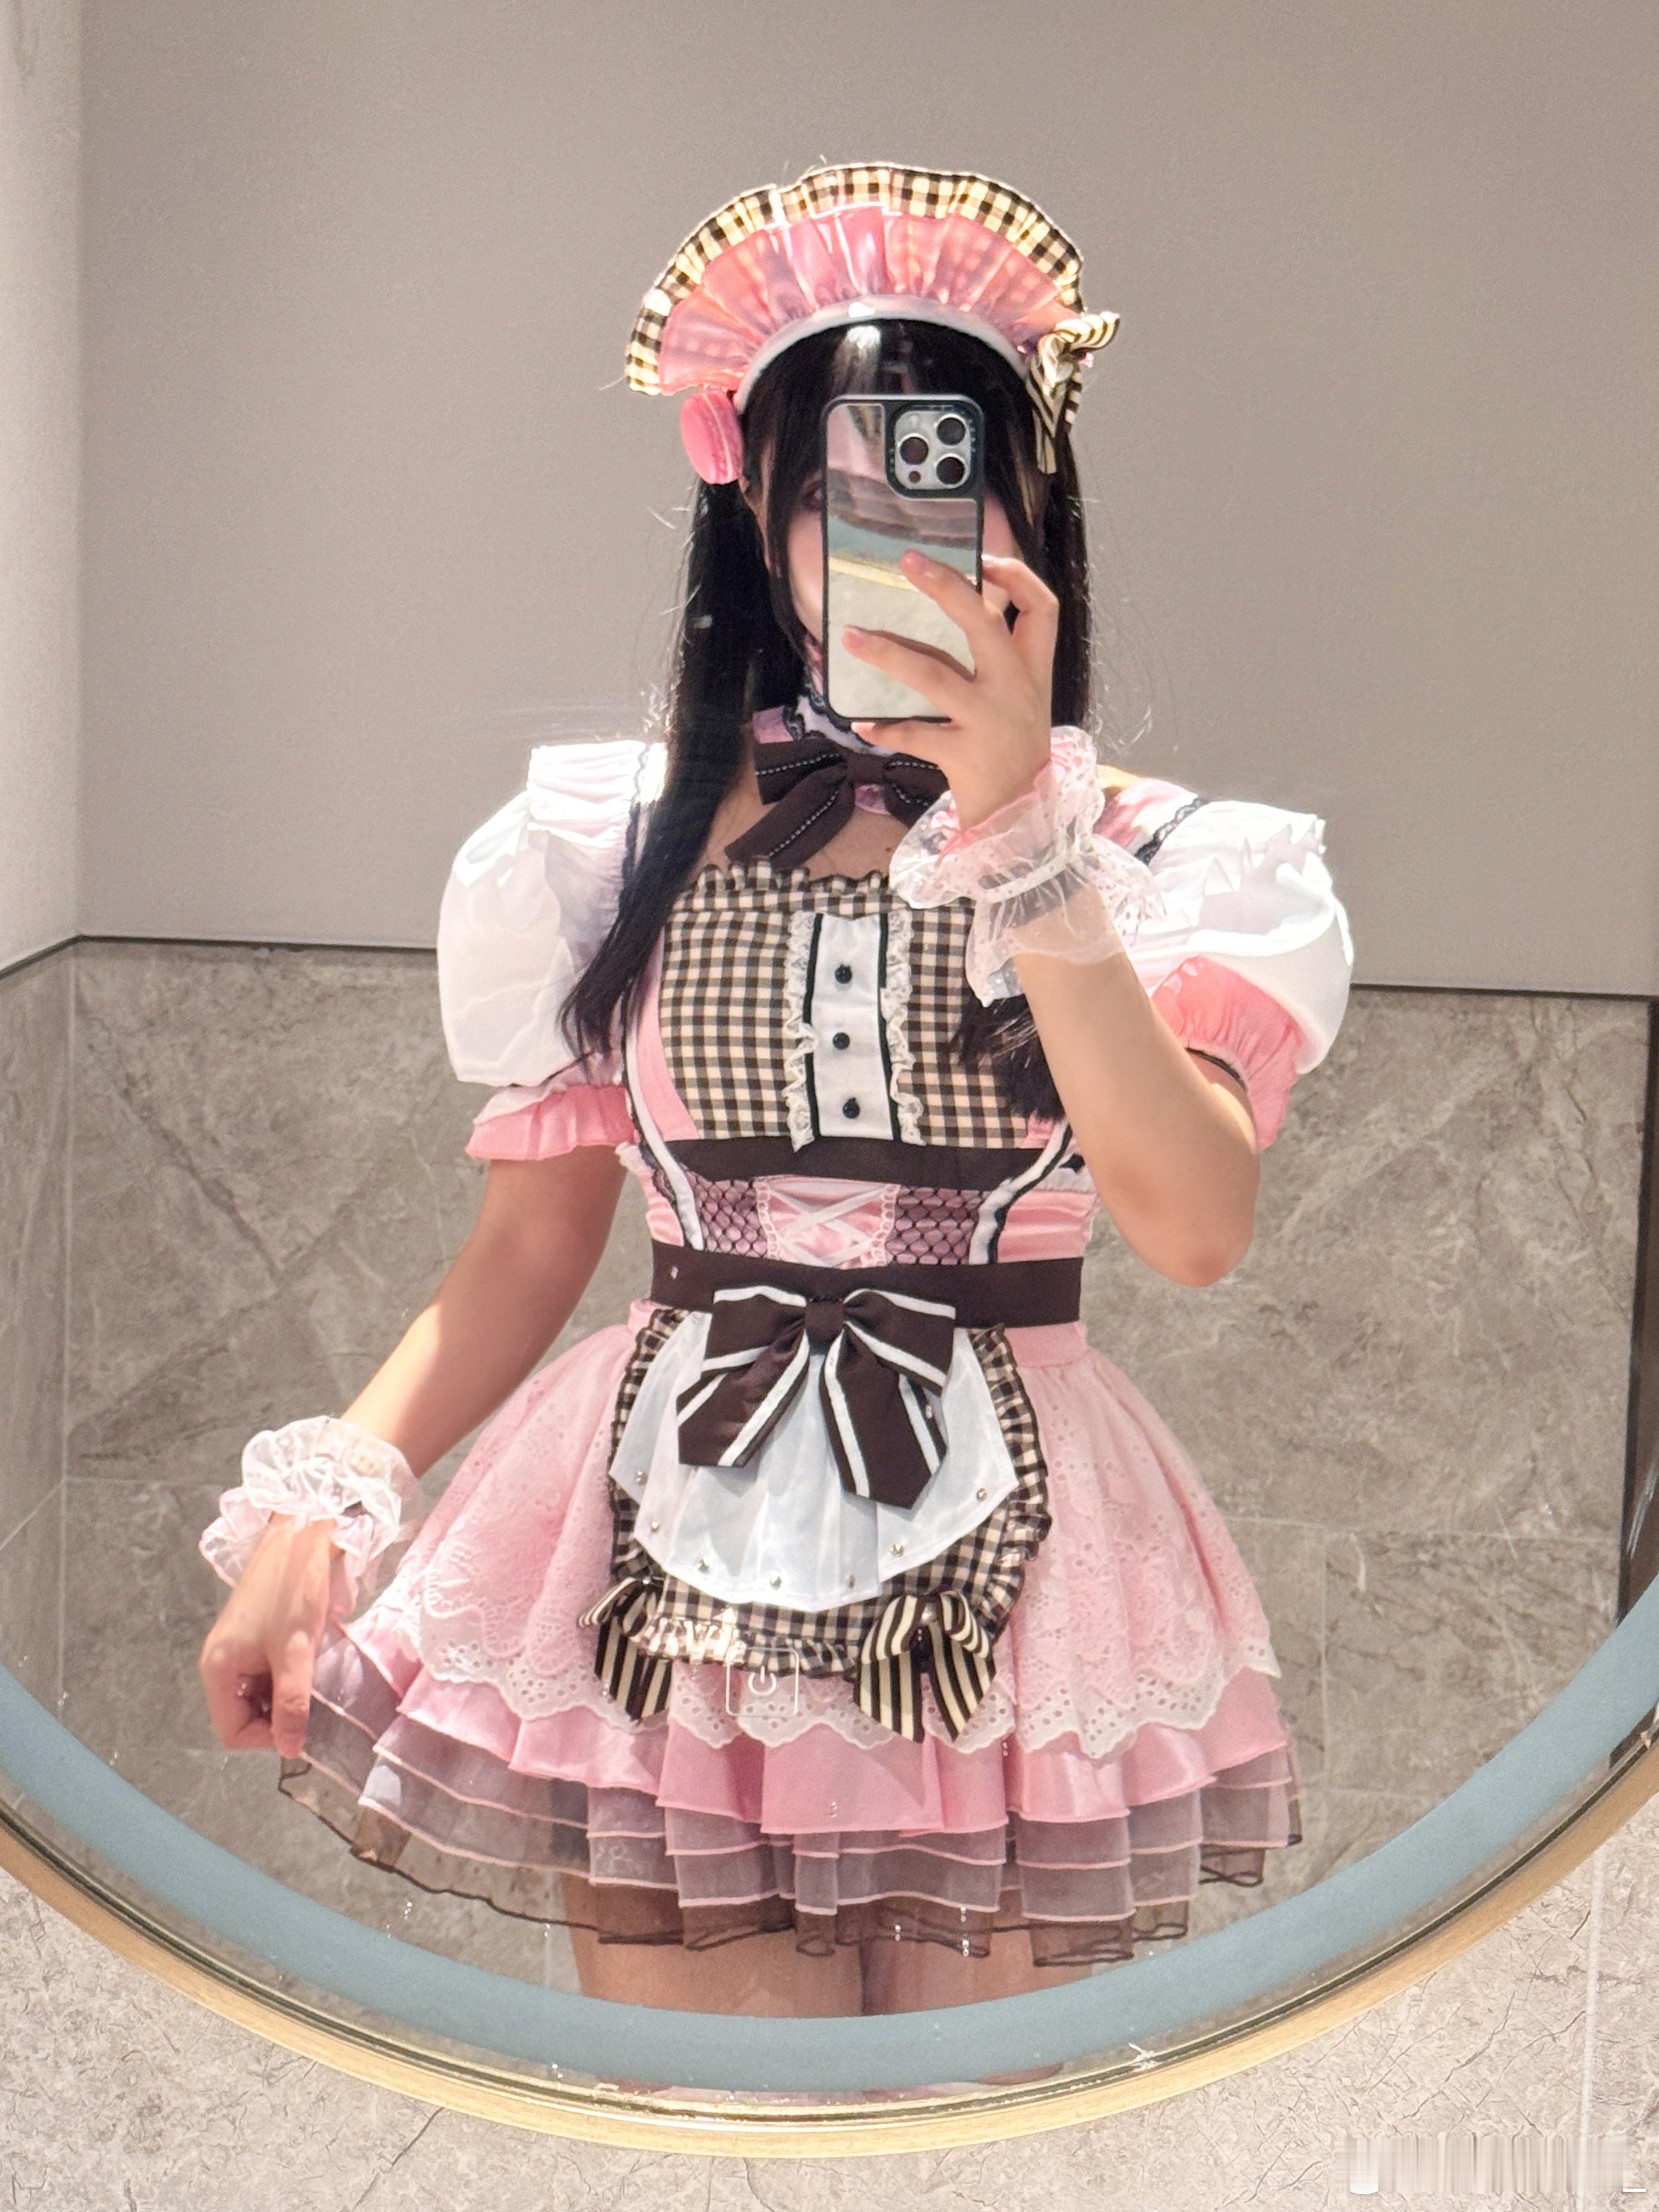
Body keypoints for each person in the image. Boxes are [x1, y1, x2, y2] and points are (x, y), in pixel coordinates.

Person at [197, 162, 1353, 2022]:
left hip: (1020, 1558)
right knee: (711, 2121)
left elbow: (1195, 1225)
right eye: (837, 491)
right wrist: (326, 1508)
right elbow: (526, 1250)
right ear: (756, 510)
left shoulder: (1168, 861)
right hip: (660, 1531)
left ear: (1031, 504)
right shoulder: (607, 843)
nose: (898, 536)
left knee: (958, 2127)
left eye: (951, 474)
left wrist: (1024, 832)